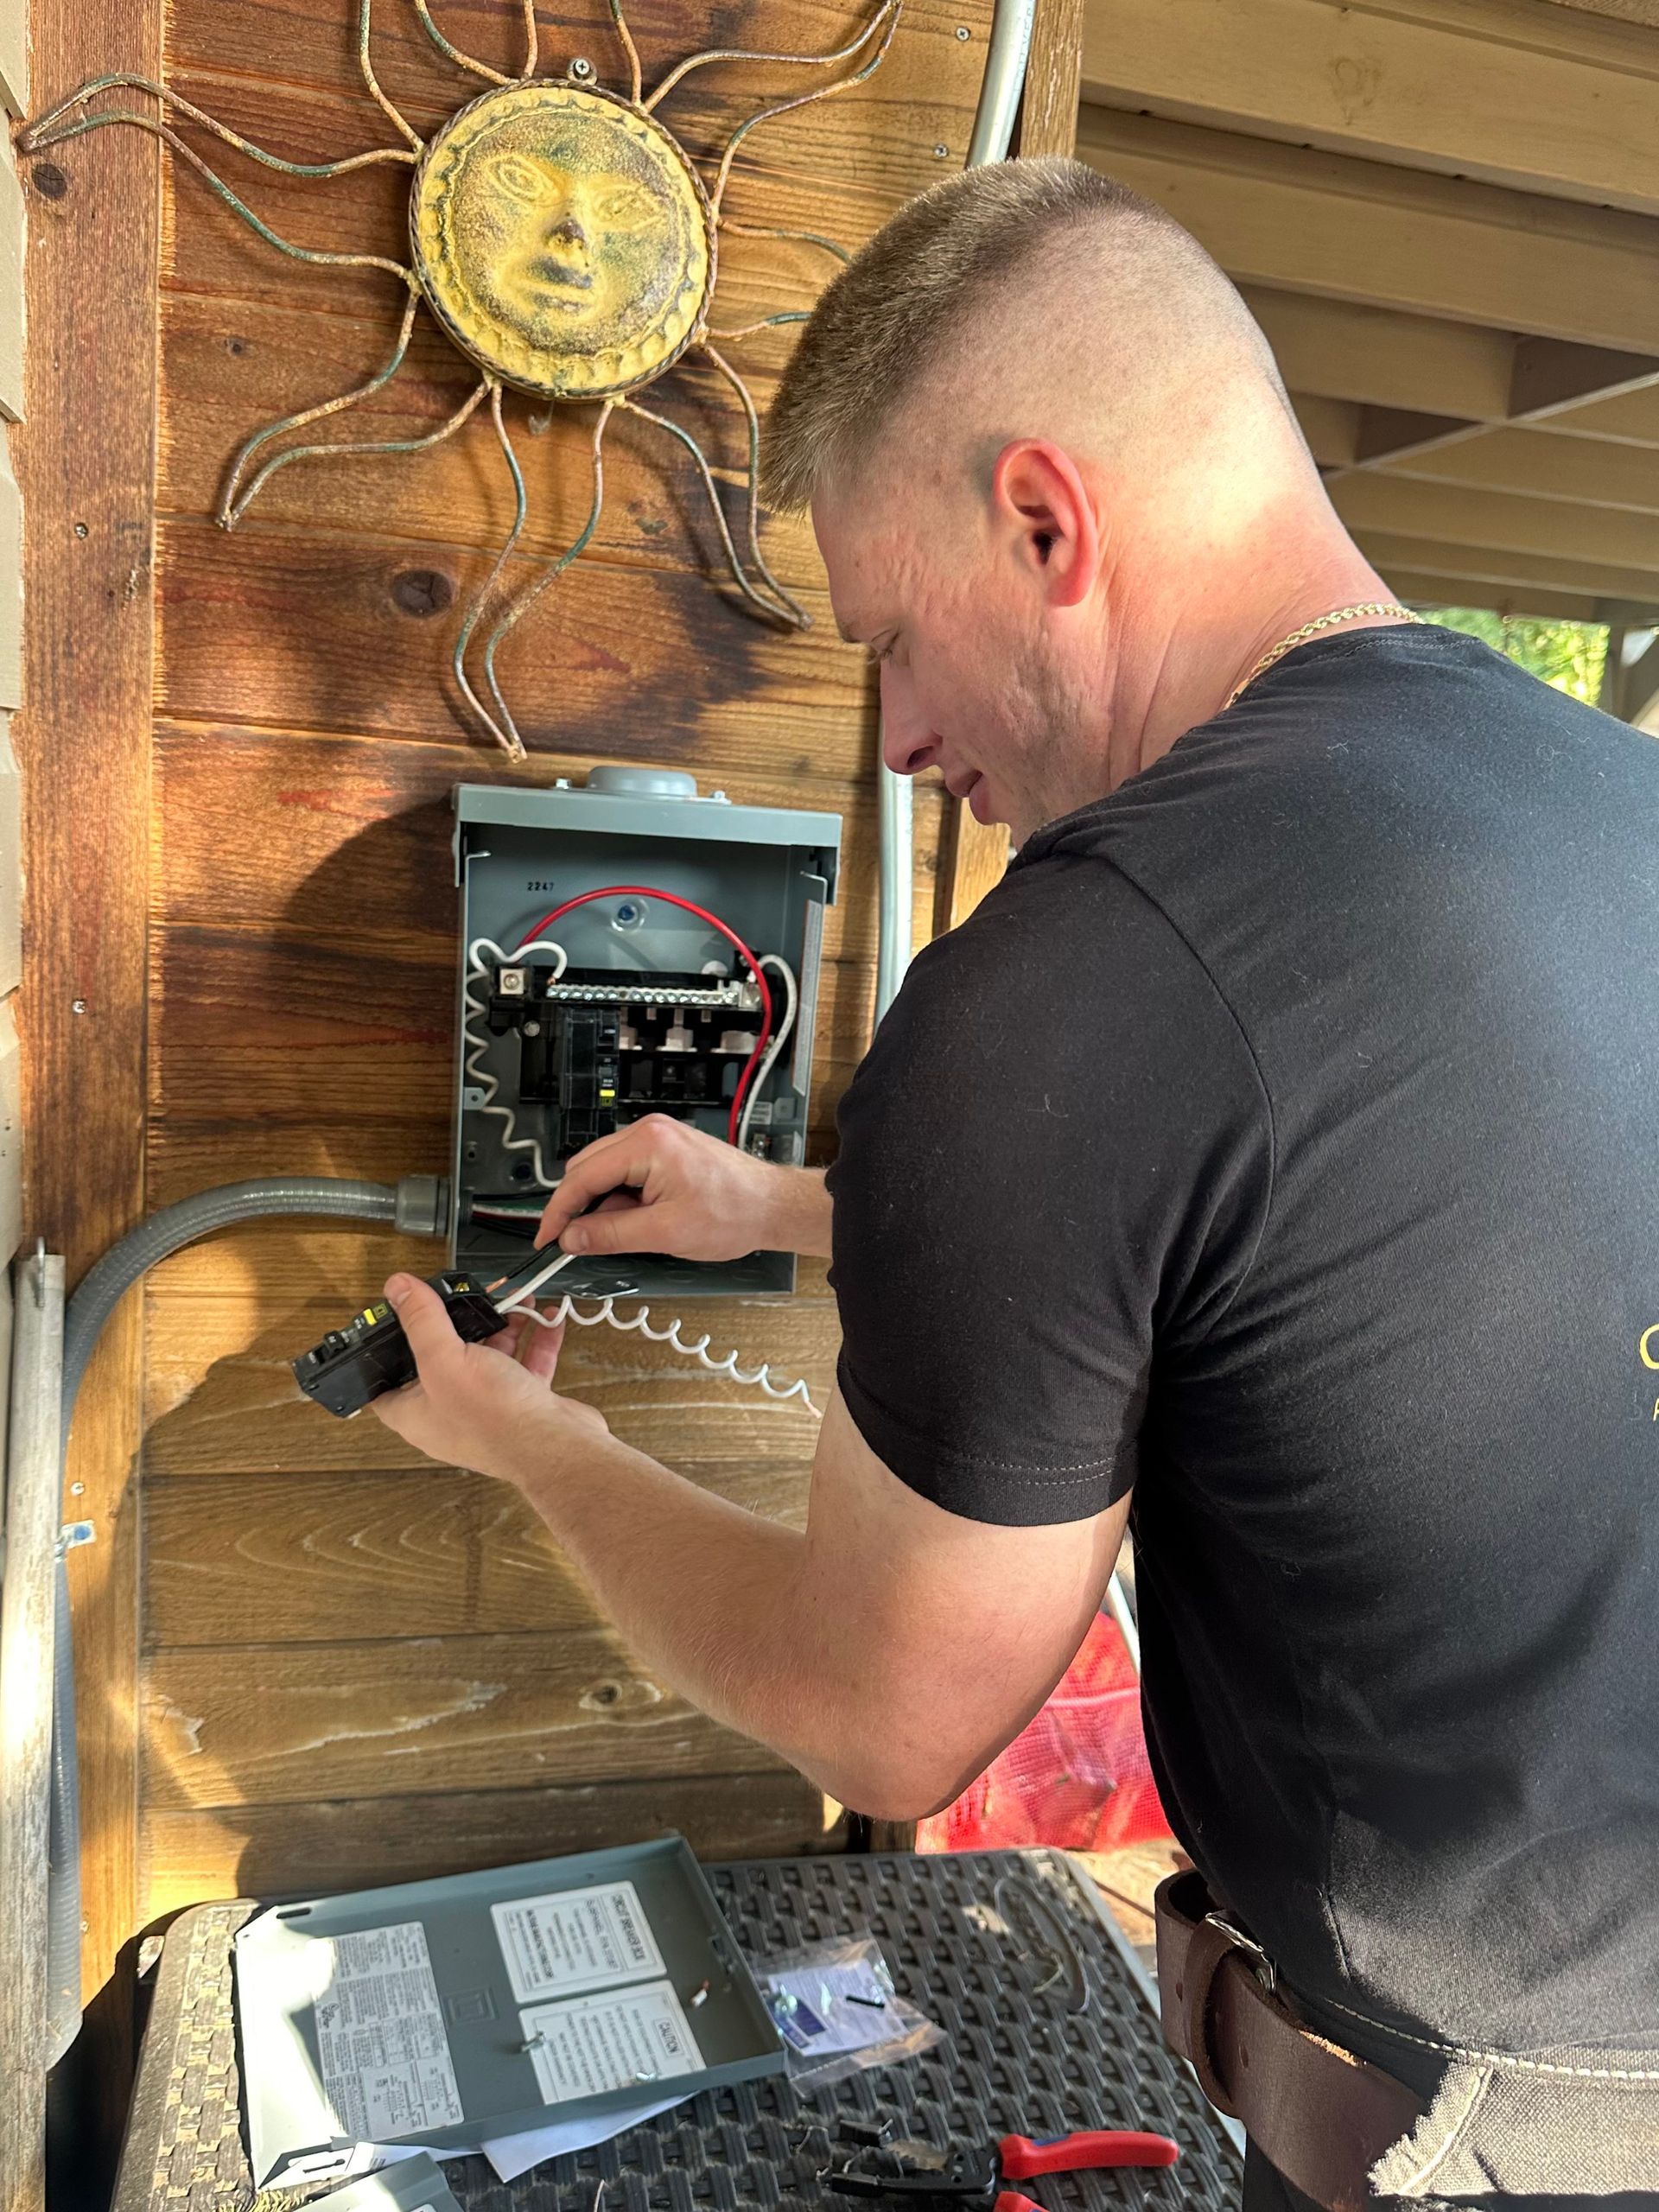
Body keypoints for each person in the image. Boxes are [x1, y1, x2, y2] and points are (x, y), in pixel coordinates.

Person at [373, 159, 1659, 2205]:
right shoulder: (1613, 803)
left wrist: (528, 1440)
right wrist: (792, 1205)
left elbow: (881, 1713)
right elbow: (1345, 1242)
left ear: (1046, 522)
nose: (895, 739)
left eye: (893, 638)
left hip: (1486, 2147)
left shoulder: (1083, 964)